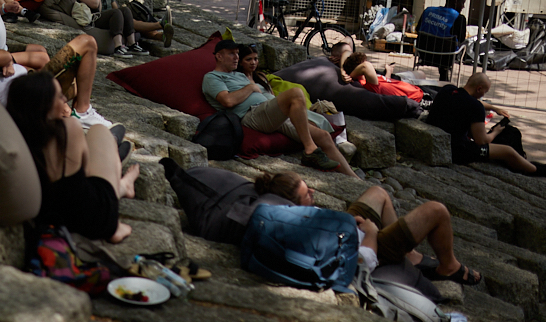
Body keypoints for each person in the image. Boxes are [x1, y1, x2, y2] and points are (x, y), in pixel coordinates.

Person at [255, 172, 482, 284]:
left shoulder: (292, 218)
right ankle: (449, 267)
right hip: (362, 244)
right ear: (294, 204)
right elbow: (364, 261)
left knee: (378, 192)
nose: (313, 191)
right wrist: (372, 234)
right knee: (437, 211)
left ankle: (409, 254)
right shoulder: (301, 234)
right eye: (307, 194)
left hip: (344, 229)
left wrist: (342, 221)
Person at [6, 72, 135, 243]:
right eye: (59, 97)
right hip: (95, 218)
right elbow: (88, 172)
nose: (64, 100)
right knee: (99, 132)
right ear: (46, 106)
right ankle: (120, 184)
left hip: (49, 218)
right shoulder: (69, 128)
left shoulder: (14, 139)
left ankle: (122, 184)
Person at [202, 39, 355, 175]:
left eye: (237, 54)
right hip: (252, 115)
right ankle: (310, 151)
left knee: (323, 136)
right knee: (295, 93)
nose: (236, 57)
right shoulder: (212, 77)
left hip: (269, 111)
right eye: (231, 54)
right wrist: (250, 88)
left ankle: (354, 180)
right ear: (219, 56)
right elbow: (227, 101)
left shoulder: (240, 75)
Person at [426, 72, 545, 175]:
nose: (484, 95)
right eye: (485, 91)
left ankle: (527, 164)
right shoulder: (475, 107)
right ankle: (534, 170)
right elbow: (481, 141)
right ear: (479, 89)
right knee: (508, 151)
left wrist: (494, 108)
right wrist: (495, 132)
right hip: (457, 150)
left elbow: (470, 101)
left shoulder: (448, 90)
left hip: (438, 137)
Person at [75, 0, 148, 57]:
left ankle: (132, 44)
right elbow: (94, 4)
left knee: (125, 10)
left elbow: (99, 8)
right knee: (116, 12)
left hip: (97, 16)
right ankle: (118, 47)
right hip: (91, 19)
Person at [416, 0, 468, 81]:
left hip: (424, 54)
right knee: (455, 44)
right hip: (446, 58)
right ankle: (444, 74)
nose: (463, 6)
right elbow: (461, 39)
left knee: (441, 42)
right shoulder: (459, 18)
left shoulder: (428, 11)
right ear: (455, 1)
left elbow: (418, 29)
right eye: (462, 3)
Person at [342, 52, 423, 102]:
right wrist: (350, 76)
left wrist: (388, 71)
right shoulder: (367, 84)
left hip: (413, 89)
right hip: (417, 96)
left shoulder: (372, 81)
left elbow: (346, 52)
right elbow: (365, 66)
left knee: (422, 74)